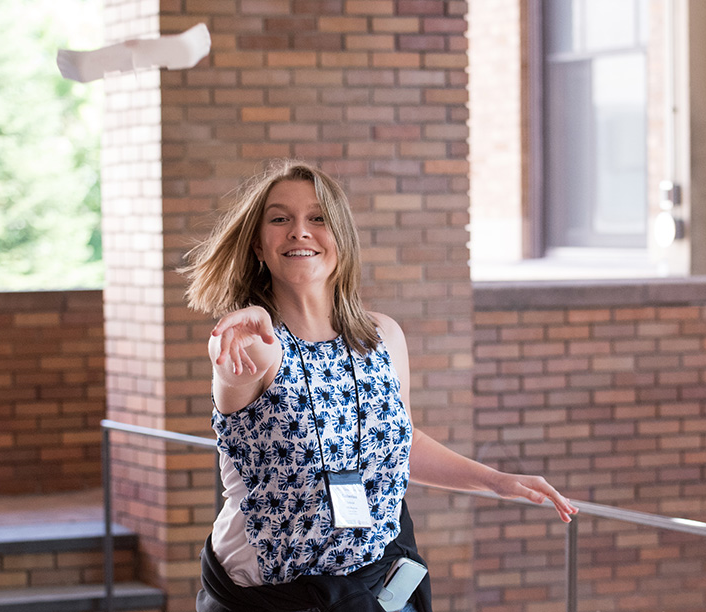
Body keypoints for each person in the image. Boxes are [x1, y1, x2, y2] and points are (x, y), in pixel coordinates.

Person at [182, 160, 578, 612]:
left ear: (342, 238)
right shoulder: (255, 345)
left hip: (374, 588)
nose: (299, 231)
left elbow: (401, 442)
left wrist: (496, 481)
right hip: (268, 599)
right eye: (279, 219)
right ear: (258, 244)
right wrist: (228, 353)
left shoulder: (380, 336)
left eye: (318, 218)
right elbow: (231, 377)